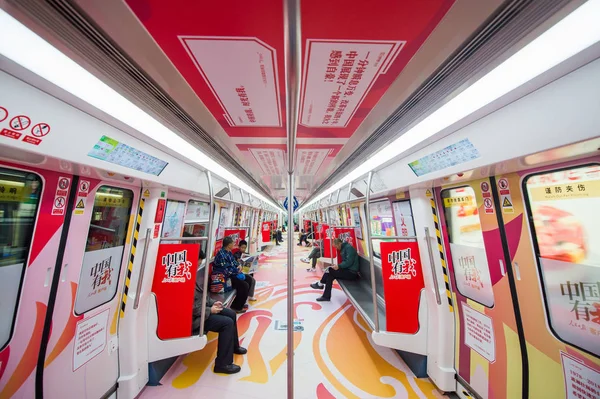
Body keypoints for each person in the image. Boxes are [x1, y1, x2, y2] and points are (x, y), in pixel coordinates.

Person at [191, 250, 247, 374]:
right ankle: (222, 364)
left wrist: (212, 303)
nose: (198, 266)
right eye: (197, 263)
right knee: (225, 323)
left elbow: (202, 297)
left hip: (202, 311)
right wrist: (209, 310)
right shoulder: (184, 280)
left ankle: (234, 346)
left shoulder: (191, 276)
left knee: (231, 313)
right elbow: (190, 307)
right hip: (194, 318)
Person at [213, 236, 256, 313]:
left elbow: (234, 262)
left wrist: (238, 265)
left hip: (233, 273)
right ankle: (236, 307)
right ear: (229, 245)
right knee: (243, 285)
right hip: (226, 277)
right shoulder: (221, 255)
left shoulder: (228, 252)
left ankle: (242, 302)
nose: (234, 245)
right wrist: (237, 271)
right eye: (233, 243)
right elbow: (226, 269)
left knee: (249, 279)